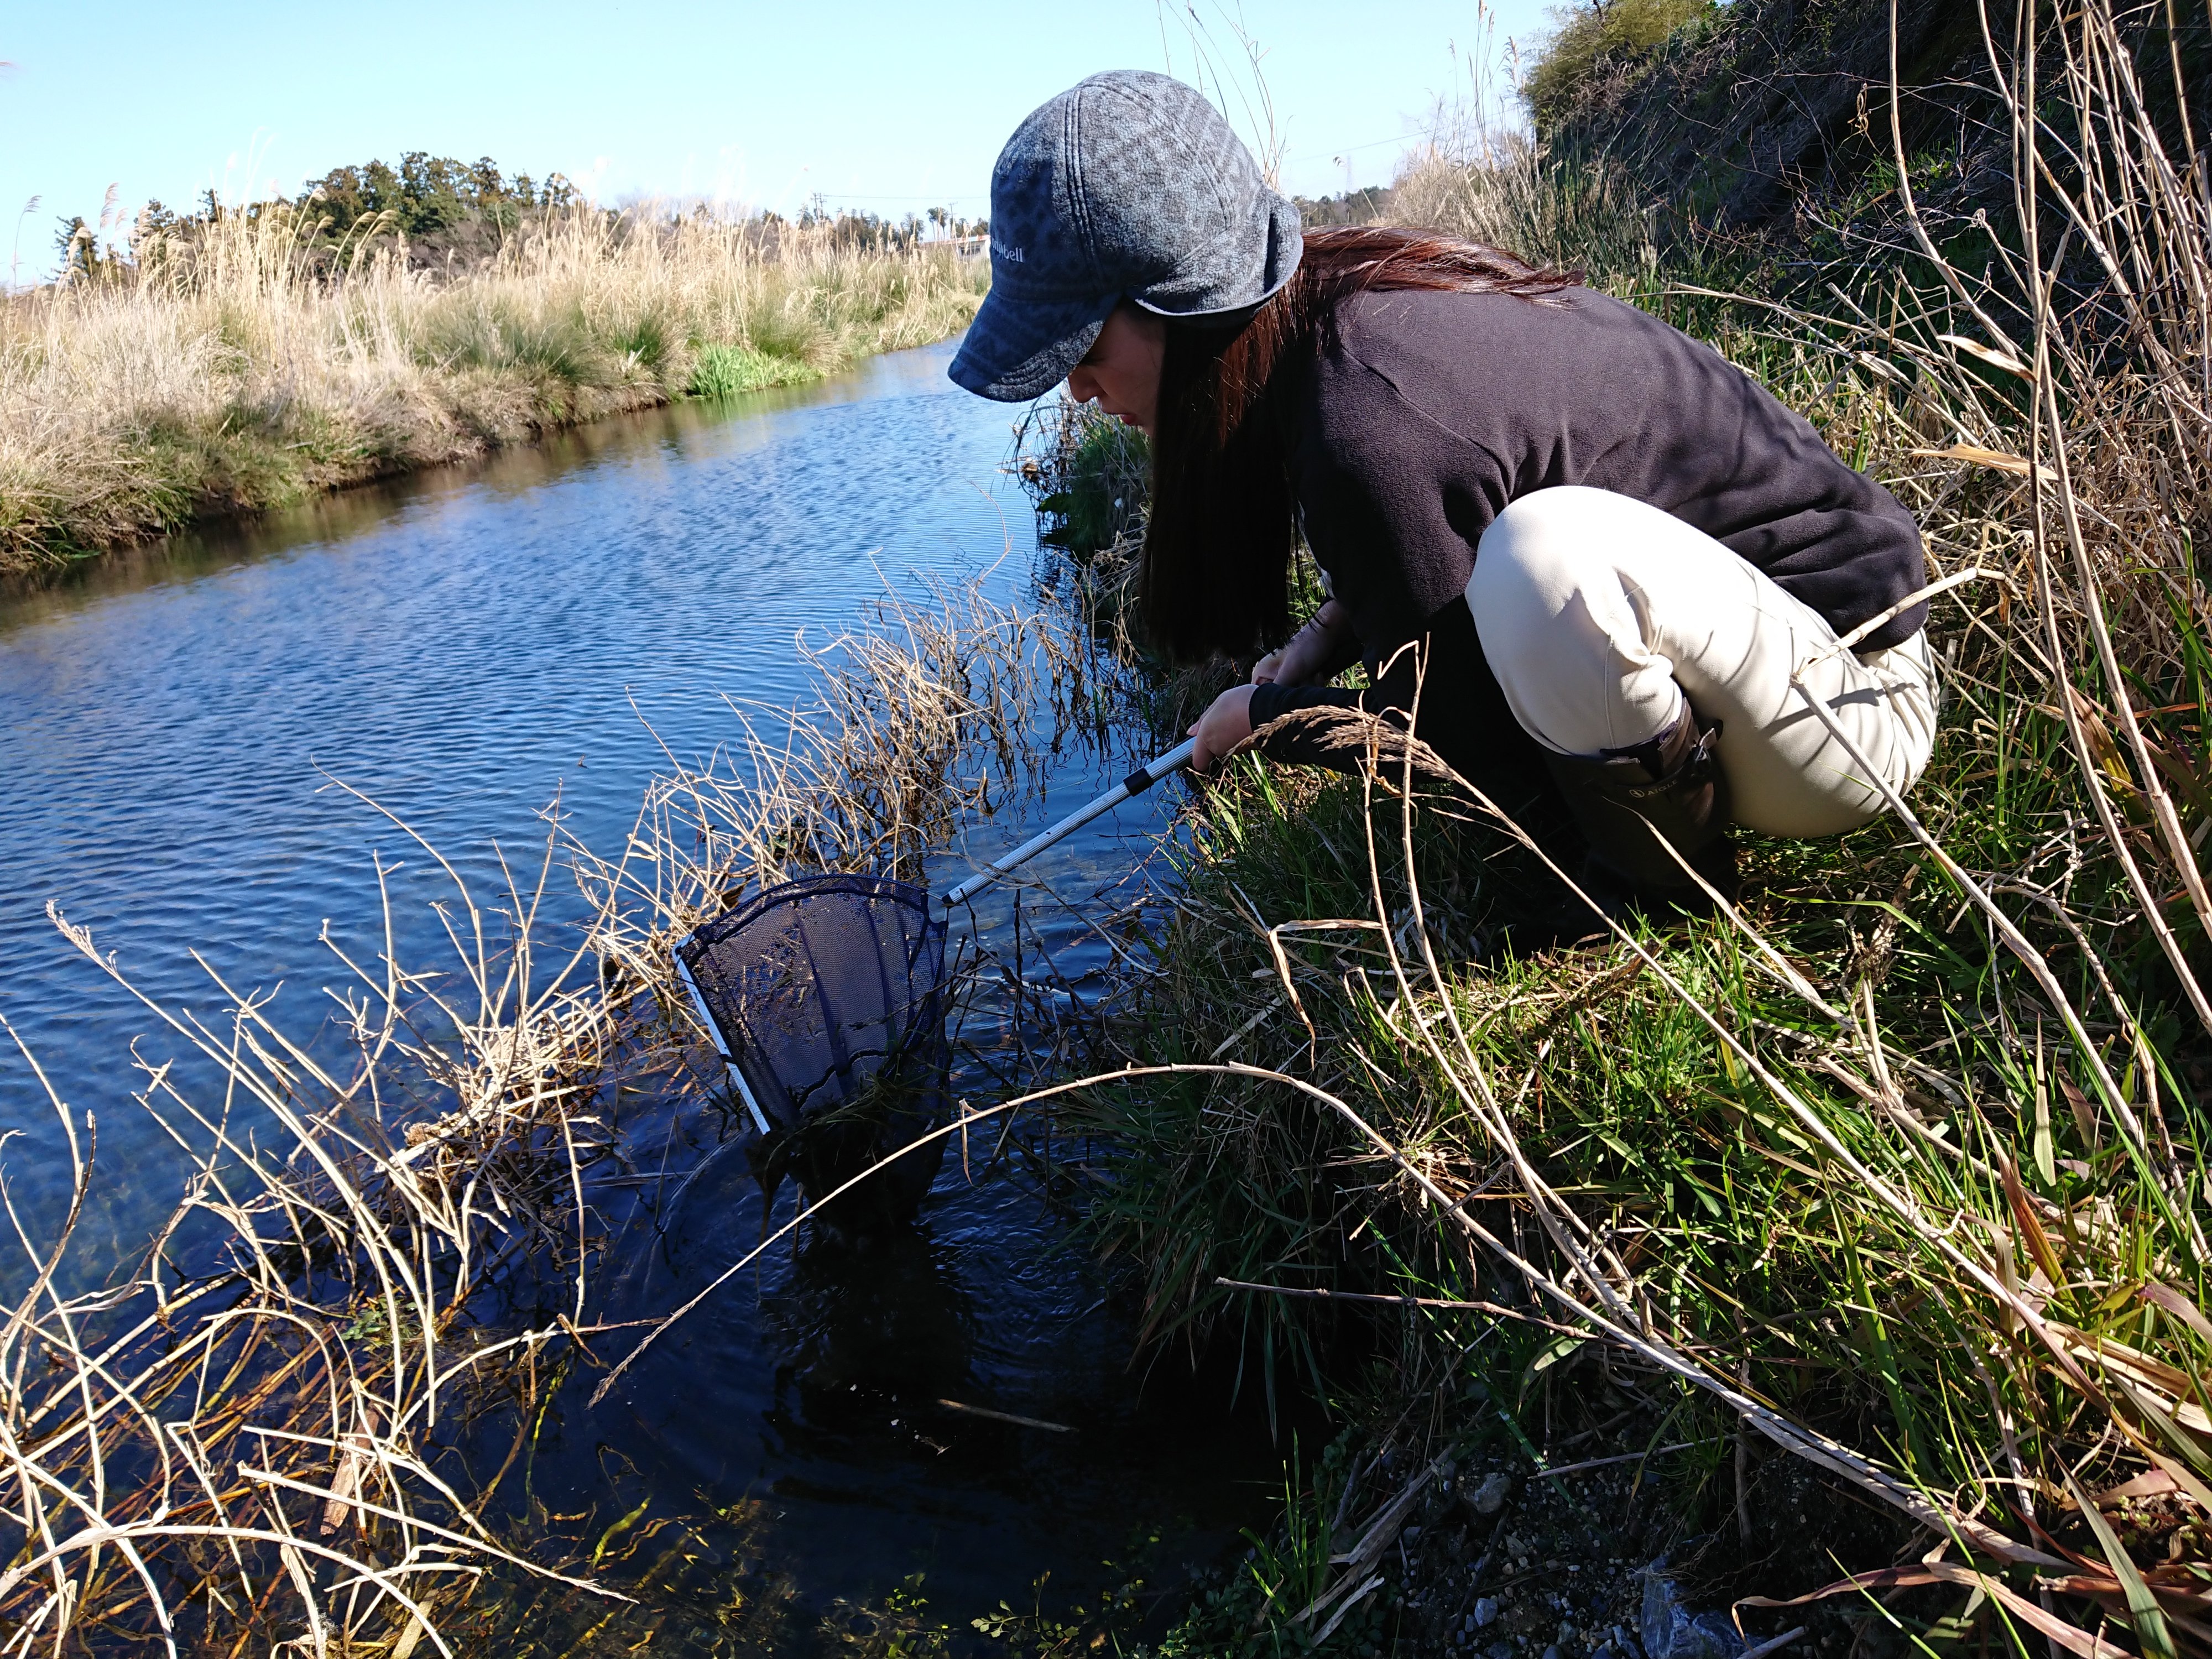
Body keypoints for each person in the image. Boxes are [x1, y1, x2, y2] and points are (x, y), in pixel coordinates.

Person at [950, 70, 1938, 910]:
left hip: (1848, 703)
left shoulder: (1366, 419)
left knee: (1541, 563)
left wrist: (1274, 721)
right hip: (1769, 654)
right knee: (1525, 565)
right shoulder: (1340, 317)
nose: (1077, 386)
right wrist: (1324, 643)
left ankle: (1665, 895)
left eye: (1082, 345)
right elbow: (1452, 529)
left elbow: (1471, 762)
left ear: (1185, 301)